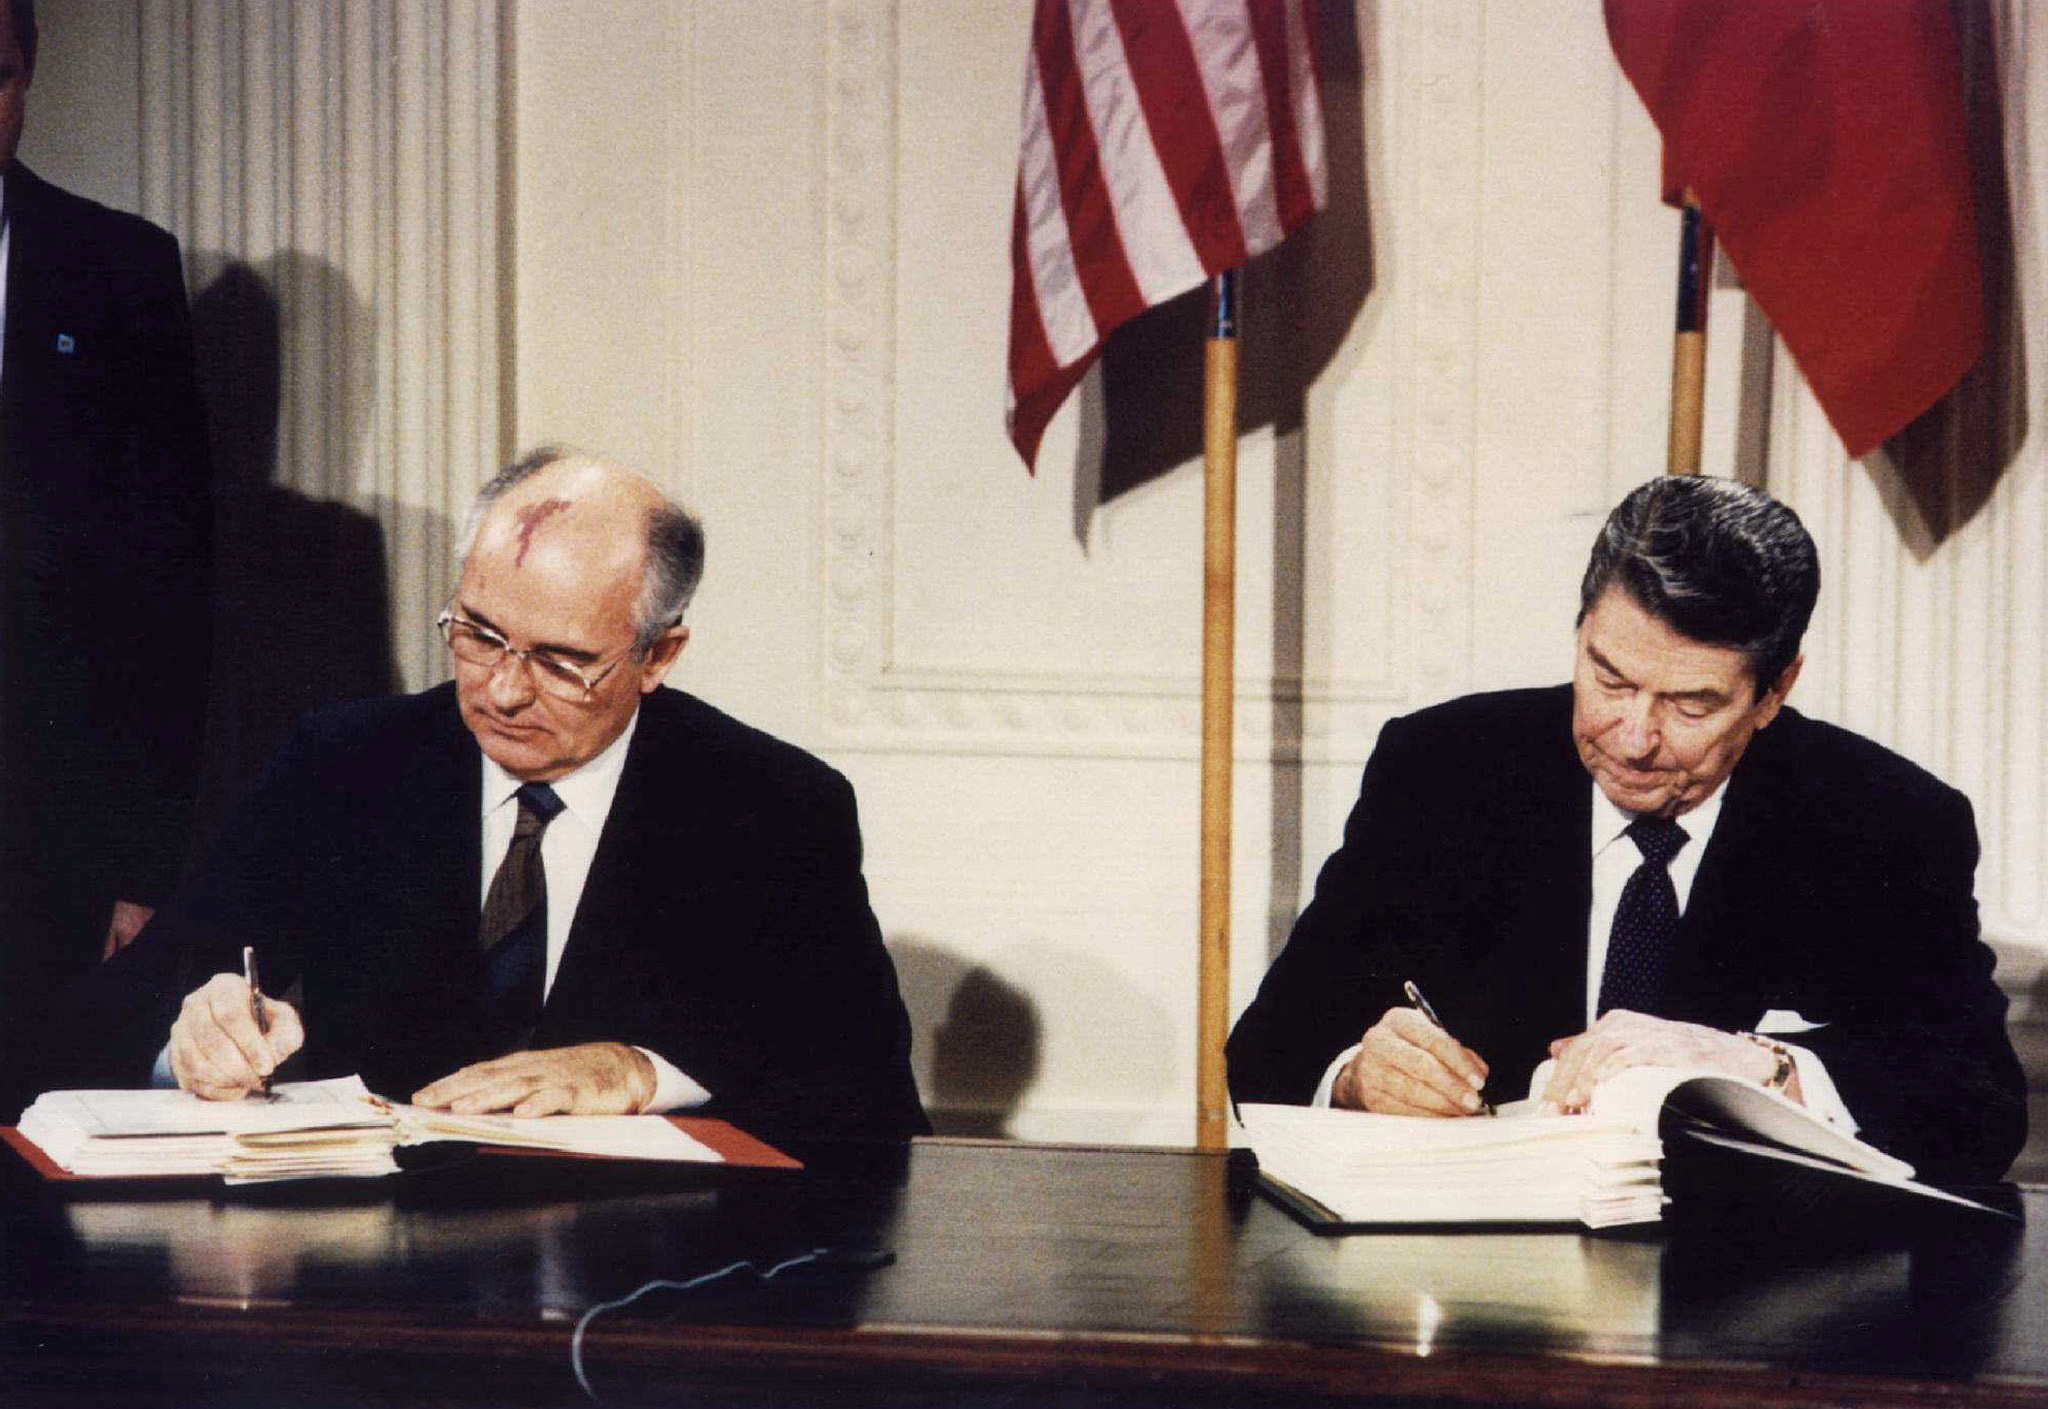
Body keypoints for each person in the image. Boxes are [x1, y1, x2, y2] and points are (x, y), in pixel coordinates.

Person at [73, 449, 929, 1143]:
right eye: (478, 635)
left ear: (658, 656)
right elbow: (128, 1002)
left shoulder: (774, 808)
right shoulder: (339, 764)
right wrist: (189, 1039)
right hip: (375, 1280)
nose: (504, 691)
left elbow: (869, 1100)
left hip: (645, 1287)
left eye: (560, 660)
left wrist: (644, 1072)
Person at [1227, 476, 2025, 1183]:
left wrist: (1757, 1066)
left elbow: (1982, 1111)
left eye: (1691, 705)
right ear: (1580, 631)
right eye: (1608, 677)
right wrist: (1358, 1077)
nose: (1632, 736)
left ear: (1775, 690)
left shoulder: (1886, 820)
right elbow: (1266, 1052)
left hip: (1749, 1297)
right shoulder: (1445, 769)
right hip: (1484, 1297)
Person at [0, 0, 212, 1117]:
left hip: (49, 851)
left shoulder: (118, 270)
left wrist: (145, 871)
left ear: (28, 76)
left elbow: (171, 597)